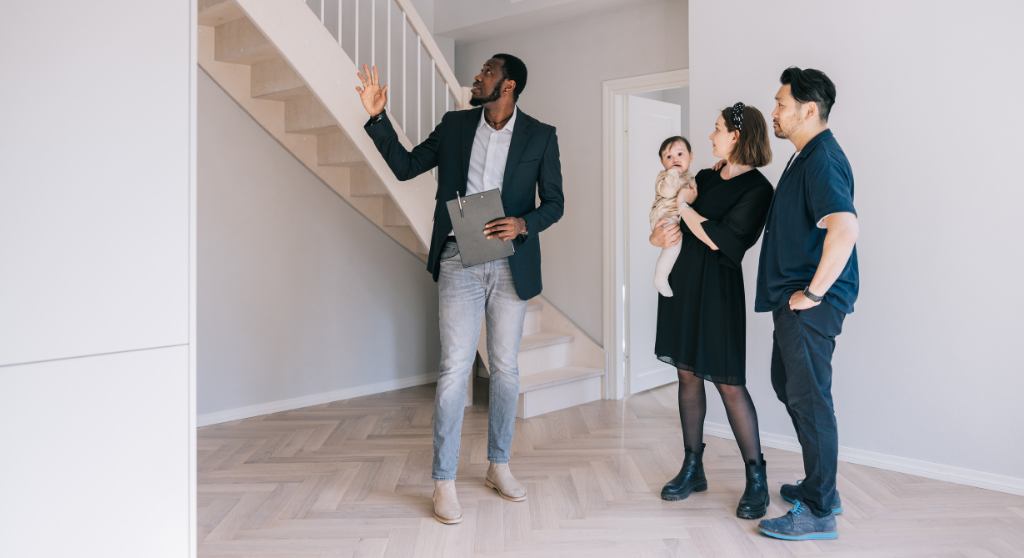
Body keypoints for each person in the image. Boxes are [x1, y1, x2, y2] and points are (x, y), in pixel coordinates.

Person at [355, 55, 563, 525]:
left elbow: (555, 202)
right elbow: (406, 166)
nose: (477, 76)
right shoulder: (455, 125)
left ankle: (498, 465)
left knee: (505, 369)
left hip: (511, 262)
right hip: (458, 257)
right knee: (454, 369)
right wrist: (377, 116)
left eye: (487, 72)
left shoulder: (541, 135)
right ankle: (443, 480)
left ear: (508, 85)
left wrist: (523, 223)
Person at [650, 103, 775, 519]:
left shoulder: (759, 189)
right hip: (683, 284)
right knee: (686, 374)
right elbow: (670, 224)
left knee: (728, 382)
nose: (710, 136)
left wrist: (686, 209)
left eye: (717, 128)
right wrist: (658, 234)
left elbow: (722, 239)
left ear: (737, 136)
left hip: (718, 292)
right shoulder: (703, 177)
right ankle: (693, 467)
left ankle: (756, 478)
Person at [755, 67, 859, 541]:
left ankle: (818, 510)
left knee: (811, 399)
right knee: (789, 386)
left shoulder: (822, 159)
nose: (774, 112)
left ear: (808, 110)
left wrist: (814, 294)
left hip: (811, 303)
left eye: (781, 104)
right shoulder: (806, 155)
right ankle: (822, 488)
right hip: (795, 300)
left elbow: (845, 228)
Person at [650, 137, 697, 298]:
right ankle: (660, 277)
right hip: (664, 217)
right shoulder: (664, 176)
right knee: (674, 244)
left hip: (677, 218)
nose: (675, 159)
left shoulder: (690, 176)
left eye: (680, 154)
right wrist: (673, 172)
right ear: (662, 162)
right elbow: (669, 192)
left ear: (690, 156)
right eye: (669, 157)